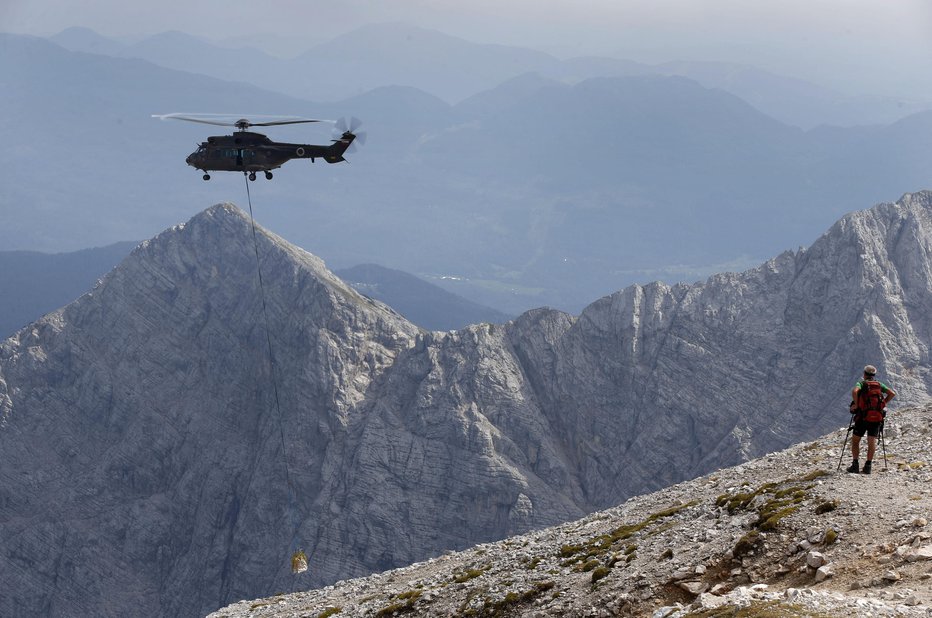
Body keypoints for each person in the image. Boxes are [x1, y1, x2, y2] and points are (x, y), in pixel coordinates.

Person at [847, 364, 896, 474]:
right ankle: (868, 466)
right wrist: (882, 404)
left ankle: (855, 464)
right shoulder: (879, 385)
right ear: (874, 375)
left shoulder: (861, 383)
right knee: (871, 441)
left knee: (855, 441)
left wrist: (857, 404)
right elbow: (892, 393)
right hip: (876, 417)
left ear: (864, 374)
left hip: (862, 417)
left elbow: (855, 391)